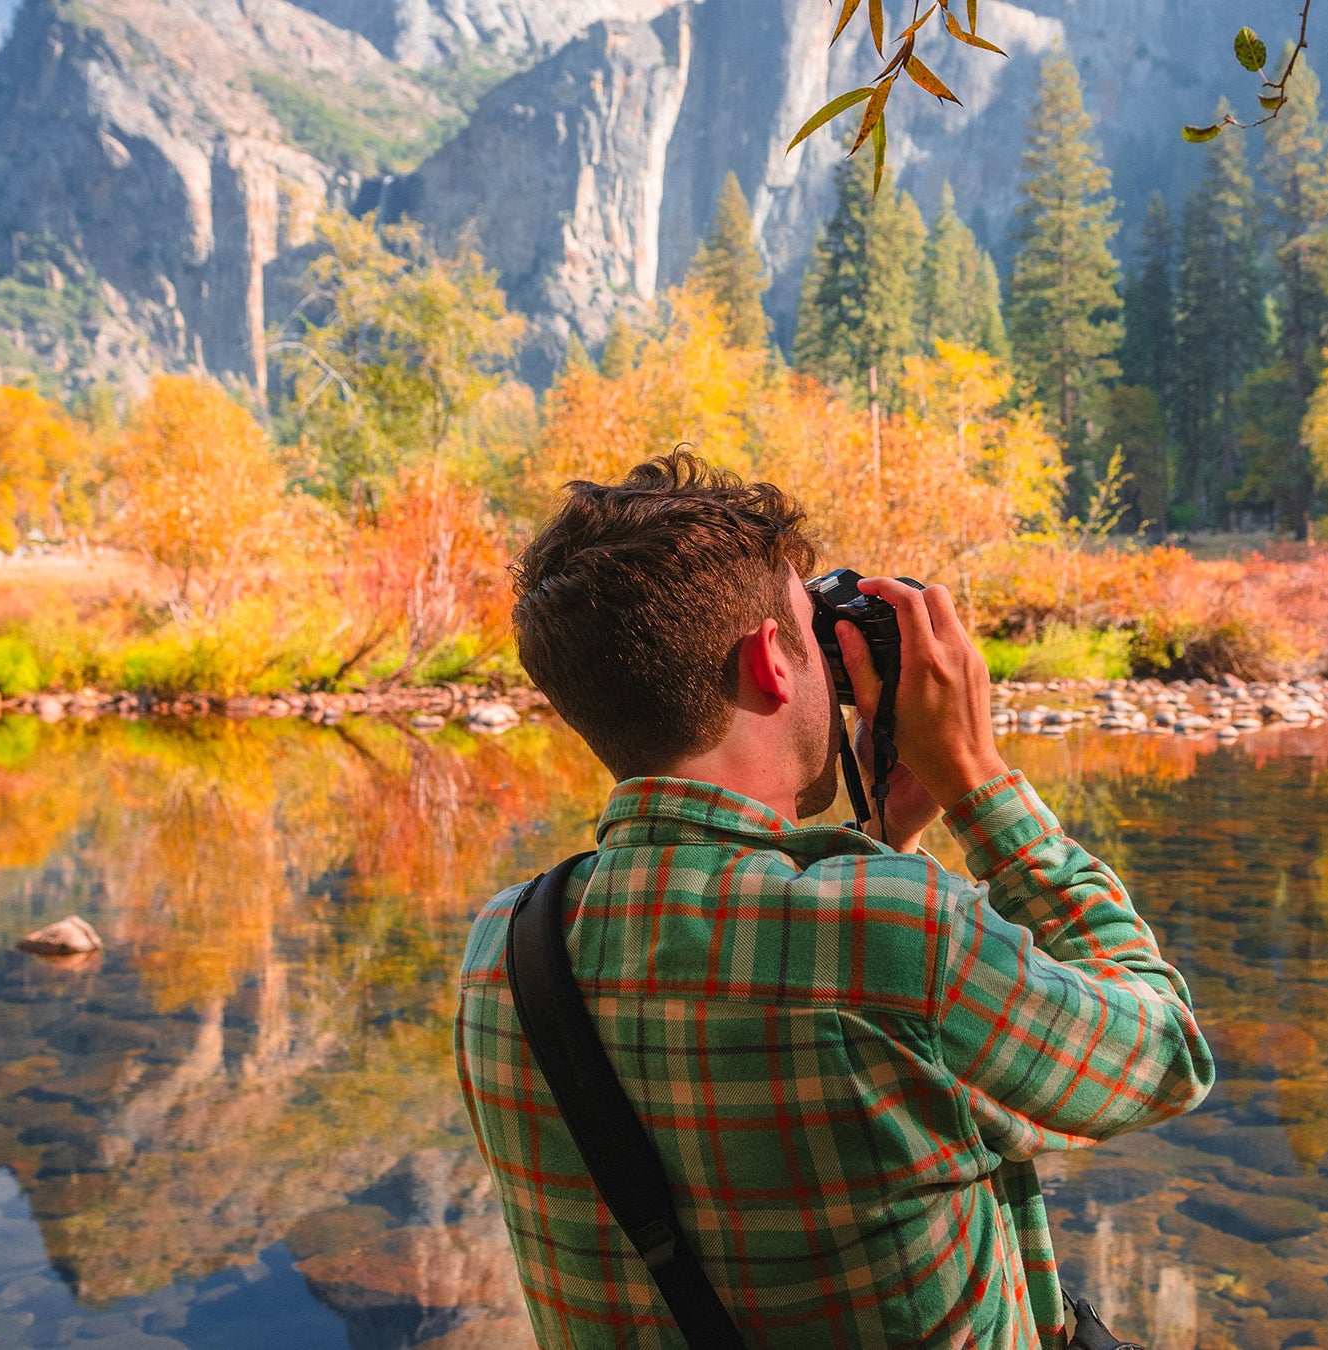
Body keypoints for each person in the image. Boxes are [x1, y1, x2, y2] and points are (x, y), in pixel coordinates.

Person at [455, 452, 1213, 1348]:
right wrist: (980, 785)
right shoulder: (900, 937)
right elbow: (1164, 1055)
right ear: (773, 661)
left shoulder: (503, 950)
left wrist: (878, 844)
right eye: (815, 633)